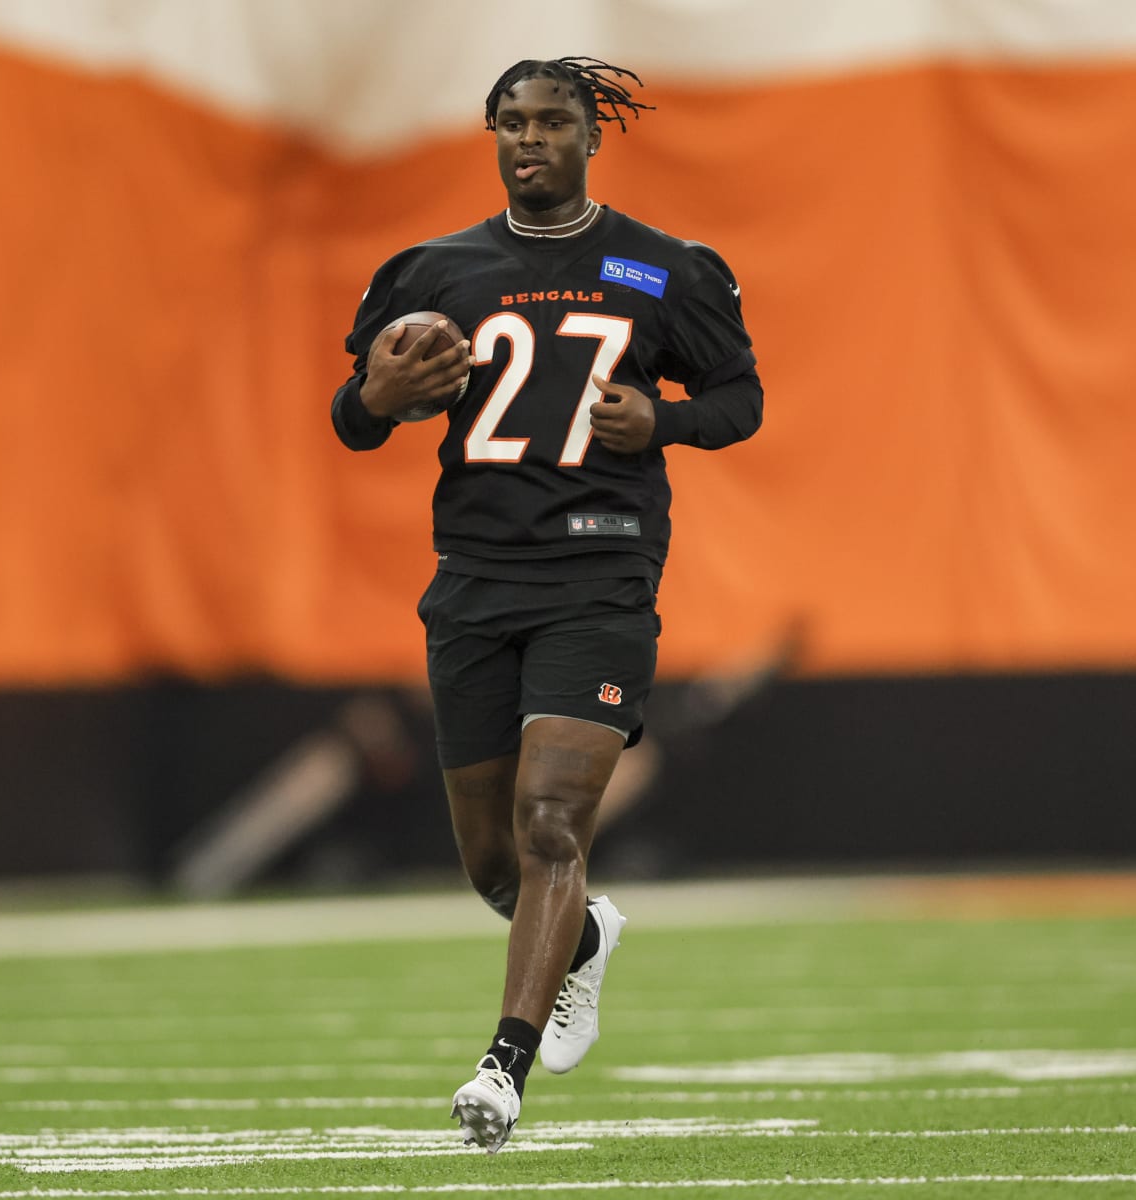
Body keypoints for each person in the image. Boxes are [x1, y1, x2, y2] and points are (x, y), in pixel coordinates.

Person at [329, 56, 762, 1152]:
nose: (532, 139)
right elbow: (352, 417)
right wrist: (376, 395)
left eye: (554, 121)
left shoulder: (662, 270)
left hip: (601, 579)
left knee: (550, 825)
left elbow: (740, 398)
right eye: (512, 122)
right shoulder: (434, 271)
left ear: (590, 137)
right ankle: (583, 940)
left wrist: (657, 426)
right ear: (492, 136)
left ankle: (500, 1072)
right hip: (475, 582)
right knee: (490, 866)